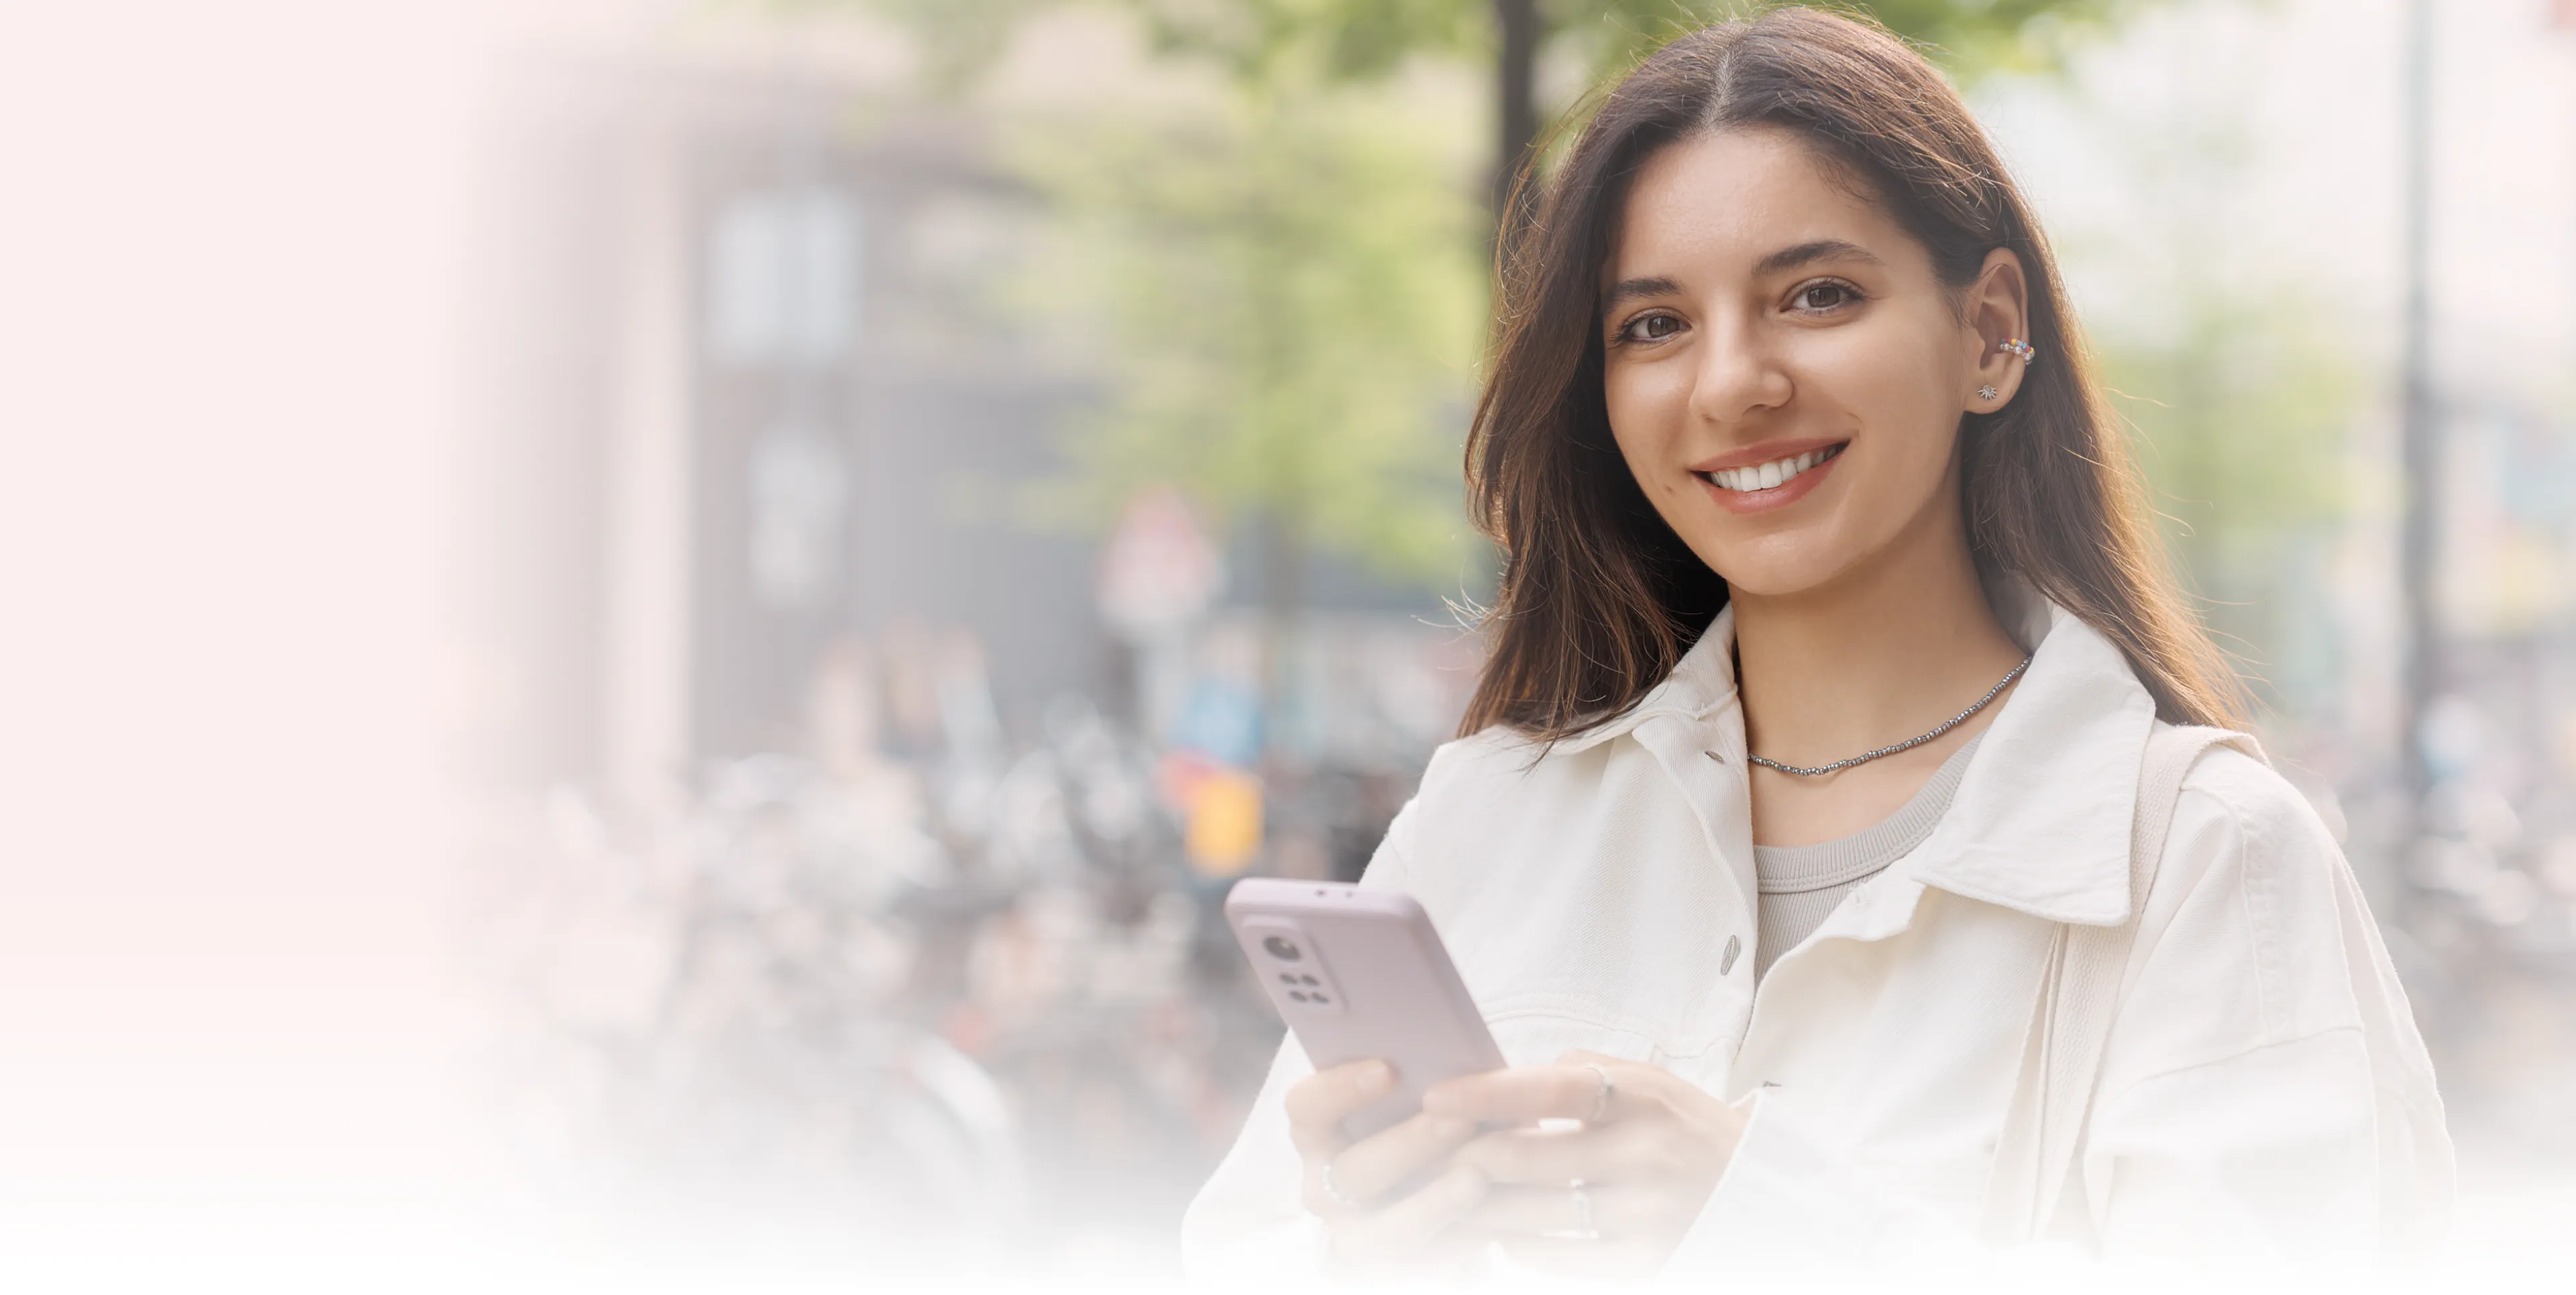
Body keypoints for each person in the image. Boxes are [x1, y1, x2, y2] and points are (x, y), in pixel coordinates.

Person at [1181, 6, 2451, 1280]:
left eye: (1818, 294)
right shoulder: (1491, 820)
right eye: (1655, 325)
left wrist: (1764, 1218)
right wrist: (1356, 1234)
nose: (1732, 381)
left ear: (1990, 329)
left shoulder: (2206, 859)